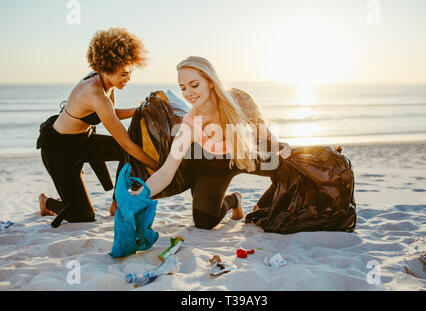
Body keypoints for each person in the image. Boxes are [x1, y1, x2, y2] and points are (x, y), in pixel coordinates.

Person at [124, 56, 291, 229]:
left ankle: (260, 207)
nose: (188, 92)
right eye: (183, 88)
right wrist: (138, 195)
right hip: (214, 169)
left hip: (244, 156)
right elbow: (166, 172)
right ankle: (235, 200)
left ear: (211, 81)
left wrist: (280, 144)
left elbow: (265, 136)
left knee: (290, 164)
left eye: (194, 85)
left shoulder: (239, 100)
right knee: (204, 223)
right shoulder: (190, 125)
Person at [37, 27, 157, 223]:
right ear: (107, 68)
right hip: (59, 150)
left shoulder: (106, 83)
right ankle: (46, 202)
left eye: (129, 73)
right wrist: (155, 165)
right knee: (82, 215)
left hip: (84, 141)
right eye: (124, 75)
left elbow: (109, 114)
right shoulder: (94, 93)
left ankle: (117, 203)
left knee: (125, 154)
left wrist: (139, 110)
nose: (128, 79)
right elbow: (125, 141)